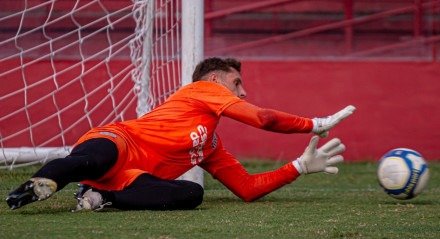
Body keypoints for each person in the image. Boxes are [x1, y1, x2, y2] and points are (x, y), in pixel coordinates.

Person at [6, 57, 355, 211]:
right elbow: (263, 118)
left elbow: (247, 190)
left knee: (192, 194)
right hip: (117, 140)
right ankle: (43, 182)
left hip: (130, 179)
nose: (243, 92)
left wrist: (298, 167)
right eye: (237, 83)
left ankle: (99, 197)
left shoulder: (211, 144)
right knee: (96, 158)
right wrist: (315, 124)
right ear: (215, 81)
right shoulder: (202, 90)